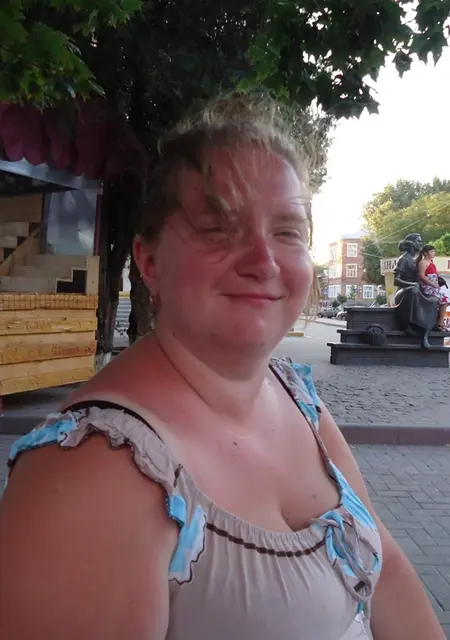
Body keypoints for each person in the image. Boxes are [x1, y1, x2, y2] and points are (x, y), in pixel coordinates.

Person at [0, 96, 445, 640]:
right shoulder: (88, 477)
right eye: (217, 228)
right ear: (149, 261)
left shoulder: (298, 397)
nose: (263, 261)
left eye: (287, 232)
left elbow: (387, 568)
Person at [416, 244, 449, 331]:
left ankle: (438, 322)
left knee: (444, 301)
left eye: (434, 251)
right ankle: (440, 323)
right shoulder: (423, 262)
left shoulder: (431, 262)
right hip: (427, 287)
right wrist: (432, 284)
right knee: (445, 300)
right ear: (425, 253)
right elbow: (421, 276)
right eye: (431, 251)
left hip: (434, 287)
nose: (434, 253)